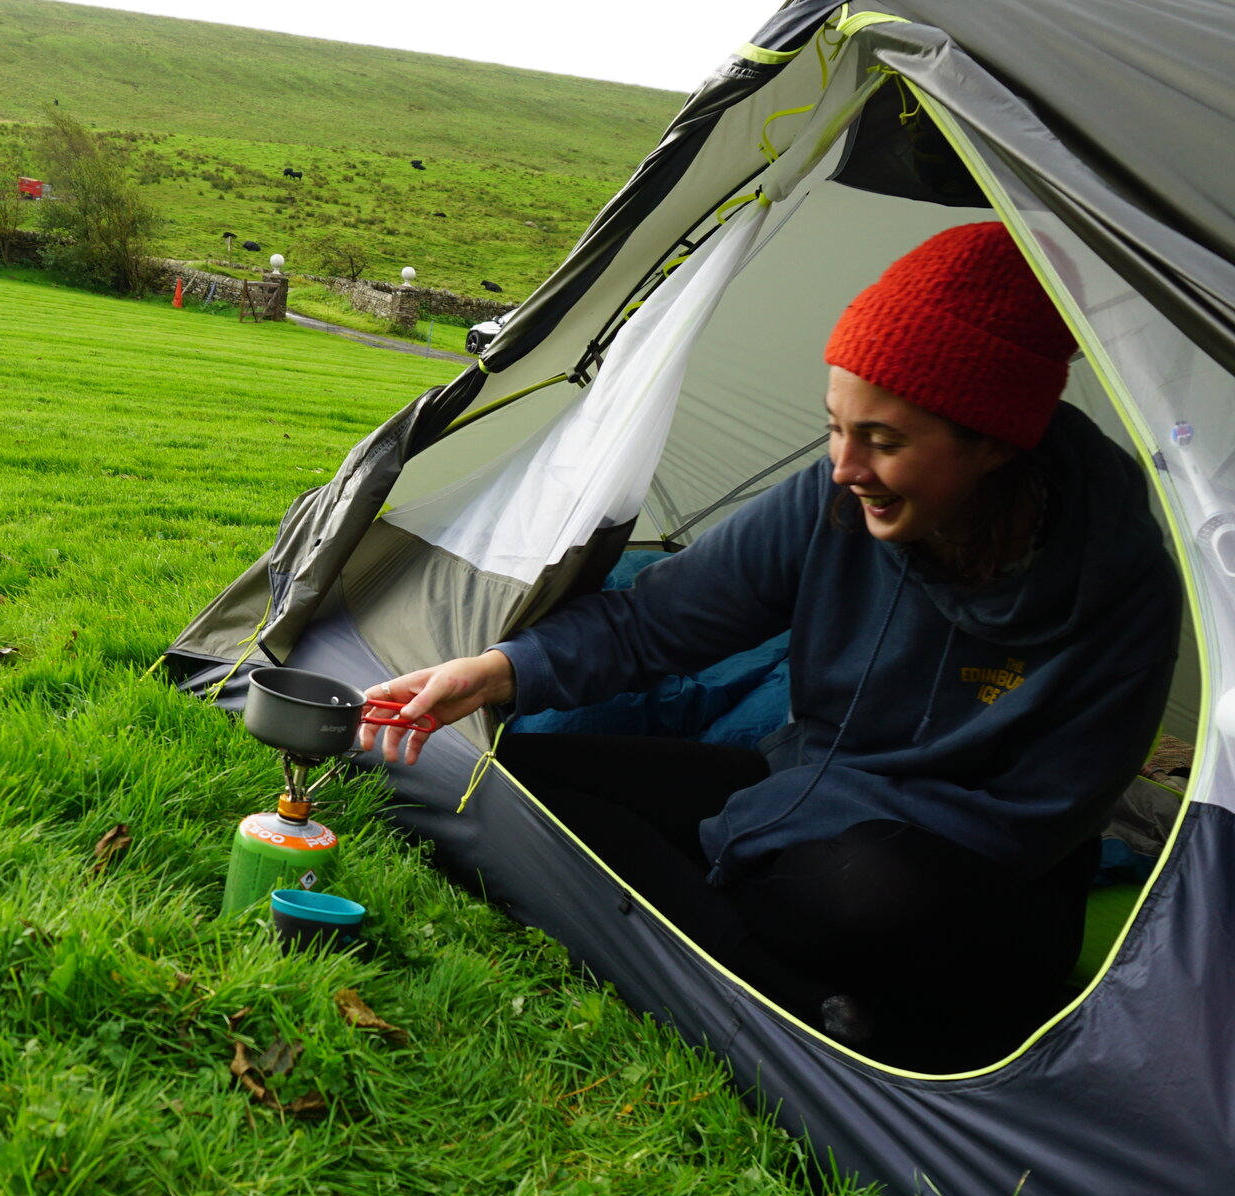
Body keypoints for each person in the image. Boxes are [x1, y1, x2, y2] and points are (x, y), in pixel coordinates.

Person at [360, 223, 1180, 1069]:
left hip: (965, 878)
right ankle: (799, 1002)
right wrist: (499, 671)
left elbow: (1034, 823)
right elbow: (656, 623)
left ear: (995, 444)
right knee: (519, 778)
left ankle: (751, 957)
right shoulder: (831, 506)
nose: (844, 466)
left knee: (850, 897)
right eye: (835, 426)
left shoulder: (1120, 588)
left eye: (885, 441)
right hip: (805, 789)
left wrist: (775, 826)